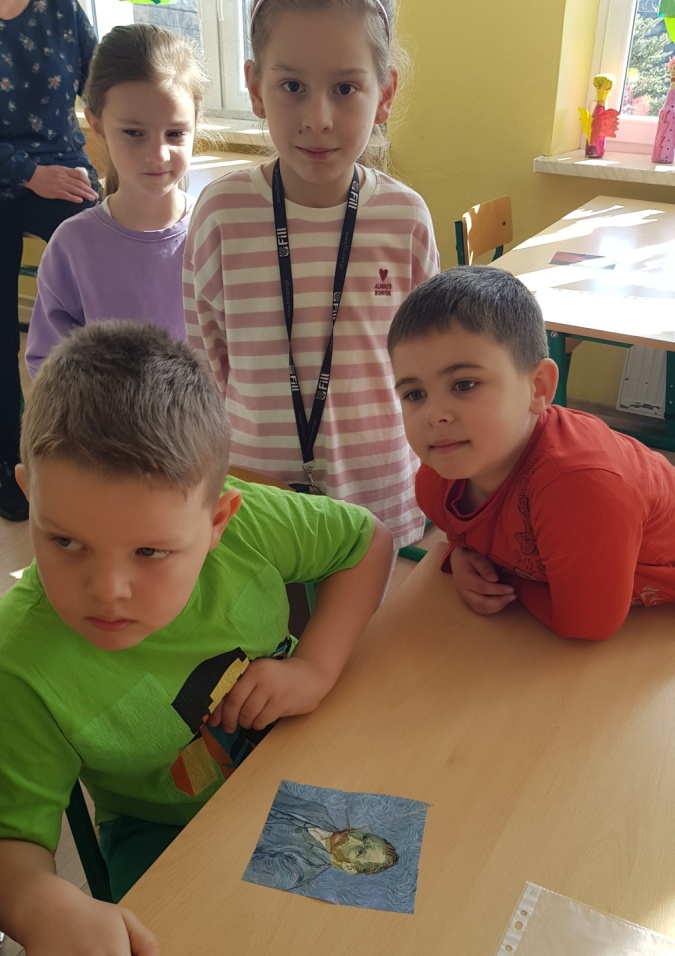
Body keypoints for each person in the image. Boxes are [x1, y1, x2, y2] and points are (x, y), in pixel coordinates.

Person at [0, 319, 393, 956]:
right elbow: (16, 844)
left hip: (302, 763)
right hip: (167, 838)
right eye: (64, 541)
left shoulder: (248, 525)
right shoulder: (21, 663)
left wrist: (314, 667)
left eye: (150, 552)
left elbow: (365, 542)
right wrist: (45, 908)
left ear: (216, 524)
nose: (106, 590)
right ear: (28, 495)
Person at [183, 0, 439, 551]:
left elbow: (428, 368)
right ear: (255, 88)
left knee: (373, 608)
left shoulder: (406, 218)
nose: (318, 118)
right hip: (255, 493)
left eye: (345, 88)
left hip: (378, 492)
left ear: (384, 93)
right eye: (292, 86)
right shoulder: (222, 214)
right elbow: (205, 366)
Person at [388, 266, 675, 641]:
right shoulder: (436, 483)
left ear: (538, 388)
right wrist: (458, 558)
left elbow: (588, 624)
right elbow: (472, 538)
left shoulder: (580, 488)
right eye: (414, 394)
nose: (433, 414)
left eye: (464, 384)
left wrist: (508, 581)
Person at [25, 23, 203, 379]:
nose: (158, 155)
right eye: (134, 133)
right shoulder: (72, 246)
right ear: (97, 125)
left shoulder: (214, 230)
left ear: (196, 122)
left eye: (175, 133)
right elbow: (49, 368)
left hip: (206, 416)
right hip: (106, 418)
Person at [0, 0, 99, 522]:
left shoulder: (63, 9)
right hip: (11, 175)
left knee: (102, 298)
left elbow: (104, 86)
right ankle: (9, 463)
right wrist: (28, 174)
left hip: (63, 169)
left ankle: (98, 440)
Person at [244, 791, 398, 892]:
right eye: (364, 837)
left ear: (349, 867)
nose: (352, 838)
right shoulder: (319, 812)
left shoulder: (293, 872)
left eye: (359, 851)